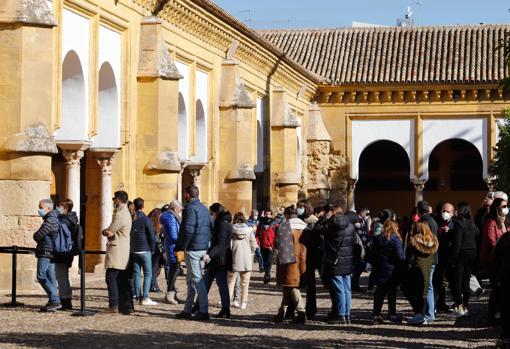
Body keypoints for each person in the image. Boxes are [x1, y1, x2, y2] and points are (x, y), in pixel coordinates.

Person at [175, 185, 212, 321]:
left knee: (197, 280)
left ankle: (203, 310)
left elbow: (188, 230)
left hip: (193, 248)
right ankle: (187, 309)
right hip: (202, 246)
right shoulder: (204, 208)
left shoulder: (190, 208)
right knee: (190, 280)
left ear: (187, 194)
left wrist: (180, 246)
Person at [318, 204, 356, 325]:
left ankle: (340, 315)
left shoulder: (331, 226)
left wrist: (325, 218)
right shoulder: (350, 226)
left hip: (335, 261)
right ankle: (347, 314)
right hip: (348, 261)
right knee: (347, 290)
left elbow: (317, 228)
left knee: (339, 289)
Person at [273, 206, 308, 324]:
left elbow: (277, 244)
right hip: (303, 259)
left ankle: (301, 312)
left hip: (289, 261)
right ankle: (281, 311)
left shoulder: (284, 227)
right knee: (288, 287)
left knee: (291, 286)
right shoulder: (305, 226)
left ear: (287, 215)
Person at [199, 203, 233, 317]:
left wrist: (209, 255)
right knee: (206, 282)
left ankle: (225, 309)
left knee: (221, 284)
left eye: (212, 213)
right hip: (216, 258)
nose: (211, 216)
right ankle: (198, 305)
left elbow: (220, 244)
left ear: (216, 213)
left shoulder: (223, 225)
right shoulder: (221, 223)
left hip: (220, 259)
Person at [401, 222, 438, 325]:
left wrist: (406, 270)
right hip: (427, 270)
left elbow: (410, 260)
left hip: (416, 271)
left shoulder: (414, 243)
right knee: (426, 291)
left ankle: (420, 314)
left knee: (411, 291)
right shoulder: (432, 242)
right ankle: (428, 314)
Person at [103, 190, 134, 314]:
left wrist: (104, 231)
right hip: (121, 249)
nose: (113, 201)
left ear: (118, 200)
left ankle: (114, 305)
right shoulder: (123, 212)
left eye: (114, 199)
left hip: (117, 250)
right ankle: (121, 305)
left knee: (111, 278)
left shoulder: (120, 214)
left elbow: (110, 231)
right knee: (118, 279)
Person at [370, 217, 404, 324]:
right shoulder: (396, 240)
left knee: (379, 293)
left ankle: (376, 315)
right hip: (392, 270)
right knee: (391, 293)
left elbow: (372, 255)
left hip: (380, 269)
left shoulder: (377, 239)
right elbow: (399, 257)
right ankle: (392, 314)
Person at [481, 197, 509, 325]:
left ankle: (499, 314)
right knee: (496, 289)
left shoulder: (505, 222)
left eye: (506, 206)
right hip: (493, 260)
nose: (505, 209)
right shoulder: (490, 221)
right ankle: (491, 317)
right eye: (503, 206)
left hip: (504, 260)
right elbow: (492, 241)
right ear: (496, 208)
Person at [449, 202, 479, 318]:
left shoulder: (459, 223)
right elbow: (477, 233)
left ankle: (459, 306)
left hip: (461, 253)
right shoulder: (472, 222)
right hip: (472, 252)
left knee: (457, 281)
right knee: (466, 280)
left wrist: (452, 258)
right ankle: (466, 307)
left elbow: (457, 243)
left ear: (460, 210)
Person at [33, 198, 61, 312]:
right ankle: (53, 300)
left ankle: (55, 300)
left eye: (41, 208)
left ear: (48, 208)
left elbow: (38, 235)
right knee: (51, 277)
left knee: (41, 275)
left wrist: (35, 235)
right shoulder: (51, 218)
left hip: (46, 251)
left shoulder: (50, 220)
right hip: (50, 251)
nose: (39, 210)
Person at [54, 199, 82, 310]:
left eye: (59, 206)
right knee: (64, 276)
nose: (57, 208)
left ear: (66, 209)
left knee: (61, 277)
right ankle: (67, 300)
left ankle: (65, 301)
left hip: (62, 251)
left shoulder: (63, 221)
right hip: (68, 251)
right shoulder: (73, 219)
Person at [297, 199, 321, 319]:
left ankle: (311, 310)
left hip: (309, 255)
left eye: (300, 207)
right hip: (300, 255)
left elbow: (316, 240)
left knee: (310, 284)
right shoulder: (299, 220)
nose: (298, 209)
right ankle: (296, 308)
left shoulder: (313, 221)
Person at [228, 212, 257, 310]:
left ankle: (227, 301)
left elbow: (229, 244)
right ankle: (243, 303)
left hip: (233, 258)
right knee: (245, 283)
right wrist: (251, 254)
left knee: (230, 282)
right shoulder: (249, 230)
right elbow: (254, 245)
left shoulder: (231, 229)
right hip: (246, 259)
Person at [131, 198, 157, 305]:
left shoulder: (131, 218)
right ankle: (145, 297)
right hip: (145, 249)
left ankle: (137, 296)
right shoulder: (146, 219)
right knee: (147, 273)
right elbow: (151, 235)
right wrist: (152, 248)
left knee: (136, 274)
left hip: (134, 249)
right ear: (143, 206)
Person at [417, 201, 438, 323]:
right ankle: (429, 312)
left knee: (427, 286)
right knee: (429, 285)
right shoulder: (433, 221)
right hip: (434, 257)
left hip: (427, 258)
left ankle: (429, 314)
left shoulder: (424, 222)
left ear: (419, 211)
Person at [160, 200, 184, 304]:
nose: (179, 212)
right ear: (175, 209)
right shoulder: (170, 218)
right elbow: (174, 235)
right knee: (174, 271)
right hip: (173, 248)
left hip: (174, 247)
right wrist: (184, 240)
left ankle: (172, 294)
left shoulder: (172, 217)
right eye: (179, 210)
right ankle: (169, 294)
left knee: (174, 270)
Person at [490, 228, 510, 345]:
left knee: (507, 309)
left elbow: (494, 261)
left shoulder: (505, 238)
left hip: (506, 280)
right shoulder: (505, 239)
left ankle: (506, 336)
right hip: (506, 280)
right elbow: (495, 261)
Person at [434, 202, 455, 313]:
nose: (445, 213)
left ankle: (445, 302)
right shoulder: (436, 223)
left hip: (449, 257)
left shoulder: (455, 224)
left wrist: (450, 233)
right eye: (444, 211)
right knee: (438, 281)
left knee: (447, 282)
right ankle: (439, 303)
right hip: (438, 256)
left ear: (453, 213)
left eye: (448, 211)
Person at [256, 215, 276, 284]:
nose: (268, 216)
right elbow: (257, 234)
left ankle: (267, 275)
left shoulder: (274, 223)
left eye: (269, 214)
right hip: (263, 245)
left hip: (271, 246)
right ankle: (267, 275)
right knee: (264, 261)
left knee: (269, 261)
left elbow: (276, 235)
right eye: (267, 214)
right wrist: (257, 243)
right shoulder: (261, 224)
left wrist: (274, 245)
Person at [148, 208, 164, 293]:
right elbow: (158, 239)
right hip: (156, 249)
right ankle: (153, 285)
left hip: (149, 248)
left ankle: (153, 285)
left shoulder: (148, 223)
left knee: (151, 268)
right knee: (154, 268)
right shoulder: (158, 226)